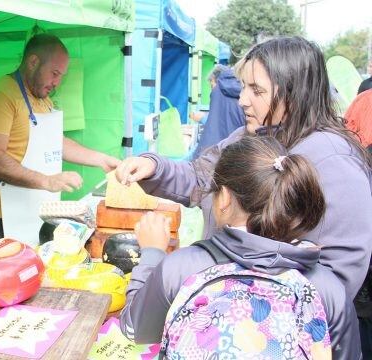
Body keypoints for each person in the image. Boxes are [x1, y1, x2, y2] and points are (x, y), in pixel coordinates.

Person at [115, 36, 372, 302]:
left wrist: (268, 314)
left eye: (256, 91)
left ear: (295, 95)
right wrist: (154, 167)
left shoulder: (335, 160)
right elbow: (202, 177)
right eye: (243, 87)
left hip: (281, 326)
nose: (242, 100)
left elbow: (339, 271)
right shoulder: (247, 137)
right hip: (228, 310)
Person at [120, 136, 361, 359]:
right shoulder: (328, 289)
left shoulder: (182, 268)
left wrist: (152, 254)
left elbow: (135, 329)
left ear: (223, 197)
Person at [0, 33, 120, 243]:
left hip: (33, 206)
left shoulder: (43, 100)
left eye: (61, 76)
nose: (57, 82)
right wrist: (47, 181)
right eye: (54, 73)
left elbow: (56, 143)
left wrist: (102, 160)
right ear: (33, 62)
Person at [191, 65, 244, 159]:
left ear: (215, 79)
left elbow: (214, 128)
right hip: (236, 153)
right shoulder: (243, 89)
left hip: (215, 154)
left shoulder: (218, 91)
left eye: (211, 85)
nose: (211, 89)